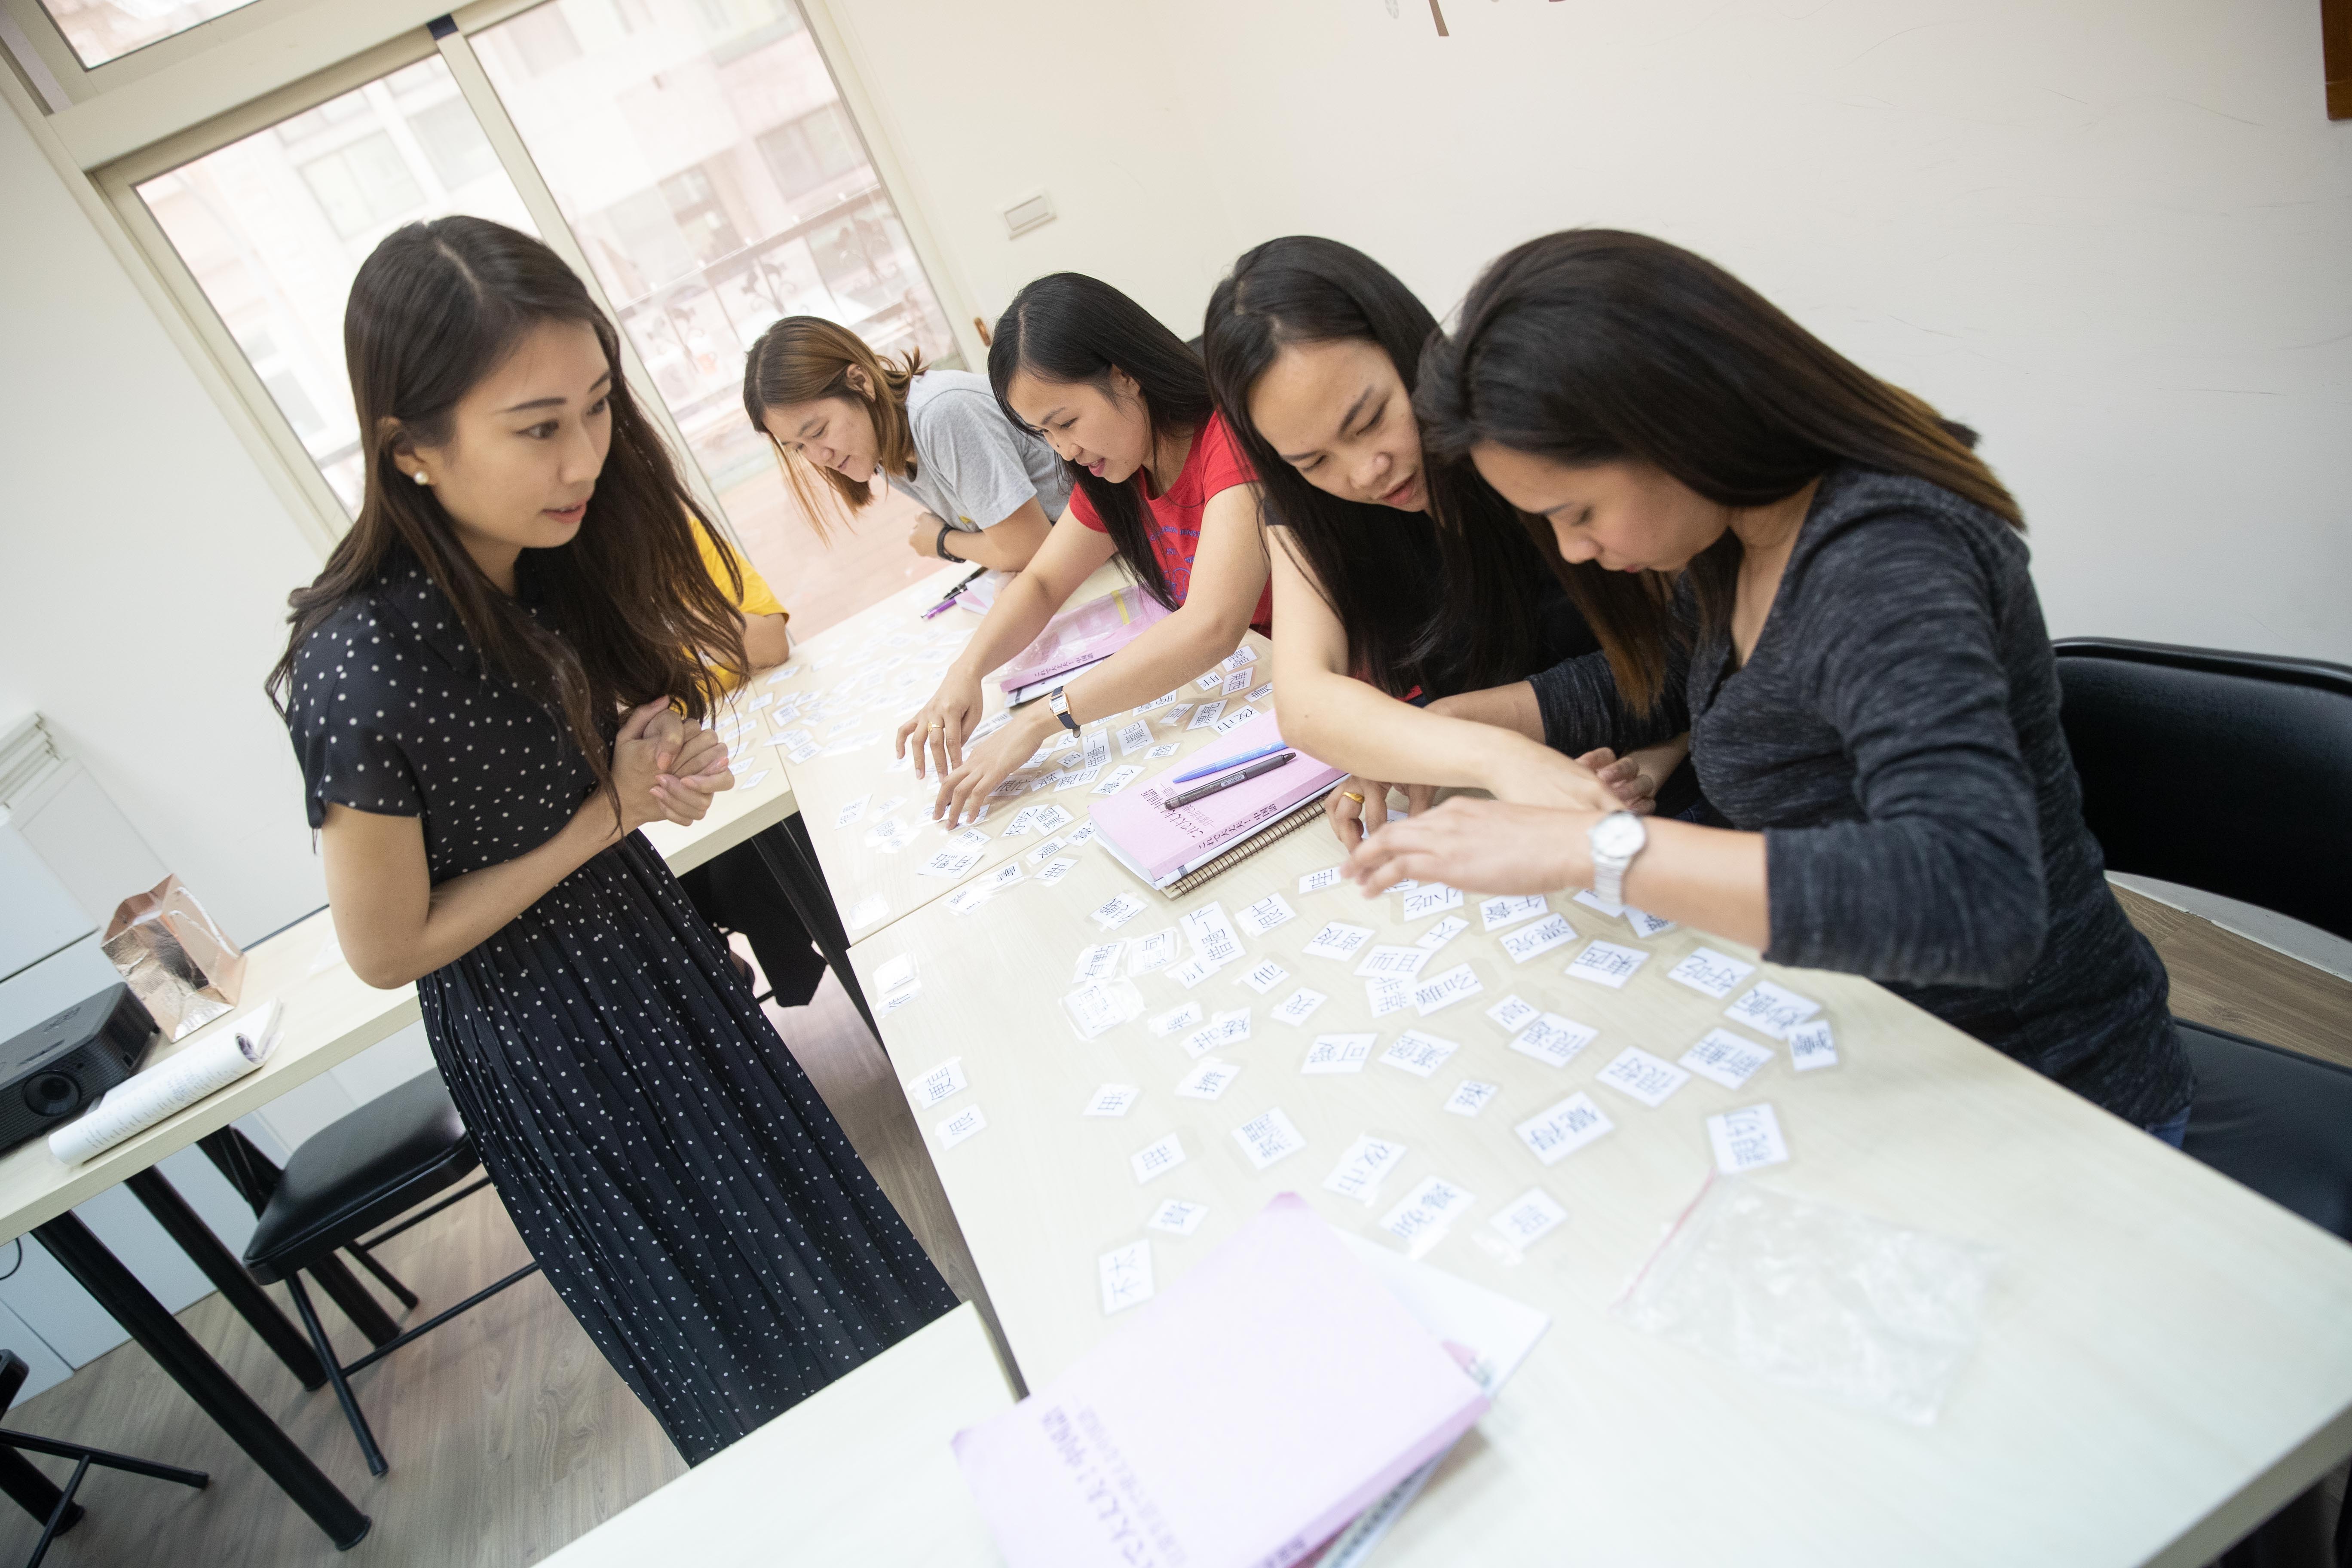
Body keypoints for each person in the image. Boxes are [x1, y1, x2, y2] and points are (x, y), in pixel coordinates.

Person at [267, 216, 955, 1466]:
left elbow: (602, 763)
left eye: (597, 406)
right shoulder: (360, 663)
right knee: (761, 1370)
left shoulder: (543, 559)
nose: (584, 454)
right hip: (557, 1048)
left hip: (656, 965)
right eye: (538, 428)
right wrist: (609, 815)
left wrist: (648, 766)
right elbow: (388, 946)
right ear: (407, 448)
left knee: (856, 1285)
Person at [1344, 228, 2190, 1137]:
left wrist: (1595, 853)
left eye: (1577, 513)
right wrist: (1450, 731)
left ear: (1676, 426)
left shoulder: (1884, 560)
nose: (1576, 552)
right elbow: (1666, 682)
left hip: (2037, 1081)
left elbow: (1974, 895)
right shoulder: (1739, 528)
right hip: (1855, 1020)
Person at [1201, 235, 1696, 847]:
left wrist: (1456, 735)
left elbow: (1695, 650)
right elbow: (1306, 705)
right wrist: (1465, 751)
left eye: (1370, 420)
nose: (1364, 472)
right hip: (1532, 807)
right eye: (1312, 459)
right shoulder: (1313, 511)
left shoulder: (1521, 424)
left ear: (1407, 346)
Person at [896, 273, 1271, 825]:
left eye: (1065, 422)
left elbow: (1211, 625)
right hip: (1264, 687)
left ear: (1125, 375)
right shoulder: (1120, 472)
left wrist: (1038, 722)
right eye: (1043, 435)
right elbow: (1043, 582)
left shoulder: (1226, 443)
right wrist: (966, 671)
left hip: (1337, 683)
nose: (1065, 450)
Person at [744, 316, 1069, 573]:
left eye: (817, 432)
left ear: (861, 383)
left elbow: (1027, 550)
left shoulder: (941, 414)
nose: (819, 457)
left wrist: (943, 542)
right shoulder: (883, 446)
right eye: (799, 448)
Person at [672, 520, 830, 1009]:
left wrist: (668, 608)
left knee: (747, 870)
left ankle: (785, 967)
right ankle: (728, 974)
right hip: (680, 774)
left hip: (757, 741)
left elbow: (769, 644)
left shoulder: (682, 539)